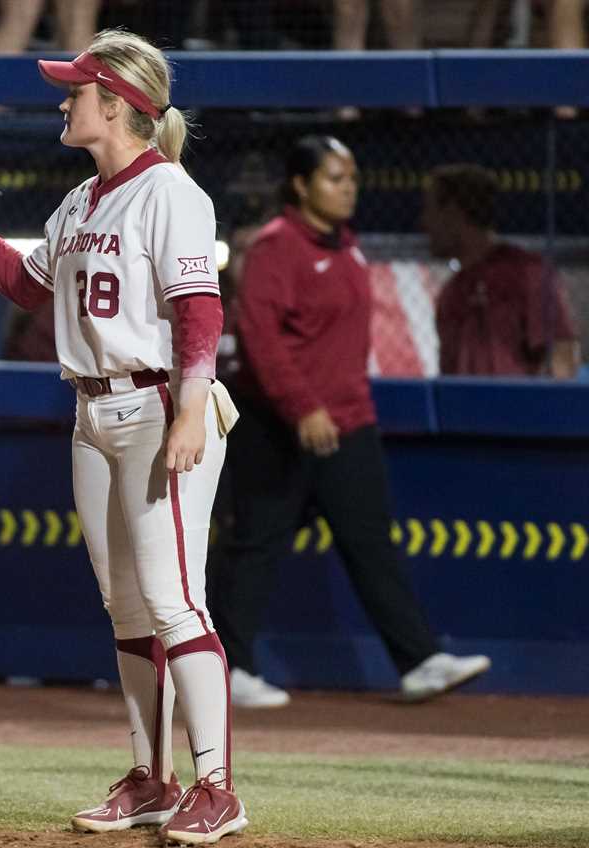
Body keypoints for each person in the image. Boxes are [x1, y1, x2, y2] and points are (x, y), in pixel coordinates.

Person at [0, 29, 247, 845]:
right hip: (92, 412)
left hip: (157, 407)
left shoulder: (170, 190)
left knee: (177, 600)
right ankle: (152, 776)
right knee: (128, 608)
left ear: (119, 105)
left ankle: (217, 785)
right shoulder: (82, 198)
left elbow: (199, 308)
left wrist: (188, 406)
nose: (64, 99)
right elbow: (24, 285)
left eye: (77, 89)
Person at [209, 135, 492, 710]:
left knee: (371, 544)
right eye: (335, 179)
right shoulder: (275, 247)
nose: (348, 189)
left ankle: (418, 661)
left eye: (352, 179)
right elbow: (261, 341)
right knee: (256, 544)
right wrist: (302, 407)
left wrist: (335, 410)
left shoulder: (348, 246)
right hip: (279, 425)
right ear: (300, 185)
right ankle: (226, 670)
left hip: (348, 421)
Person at [423, 163, 579, 378]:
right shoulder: (451, 293)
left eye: (430, 211)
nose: (424, 223)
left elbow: (562, 358)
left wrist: (541, 407)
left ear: (453, 213)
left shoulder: (528, 273)